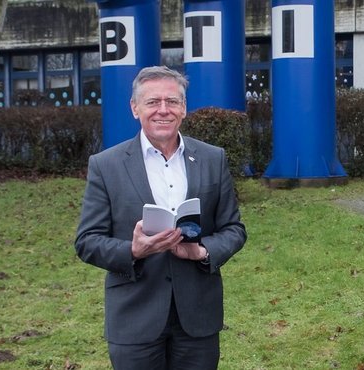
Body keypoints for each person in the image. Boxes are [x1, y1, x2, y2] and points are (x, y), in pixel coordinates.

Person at [75, 66, 246, 369]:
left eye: (172, 101)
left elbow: (233, 229)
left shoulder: (212, 158)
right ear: (135, 108)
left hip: (198, 315)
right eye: (153, 102)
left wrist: (202, 251)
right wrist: (133, 250)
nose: (163, 110)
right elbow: (87, 241)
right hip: (134, 315)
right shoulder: (106, 165)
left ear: (183, 109)